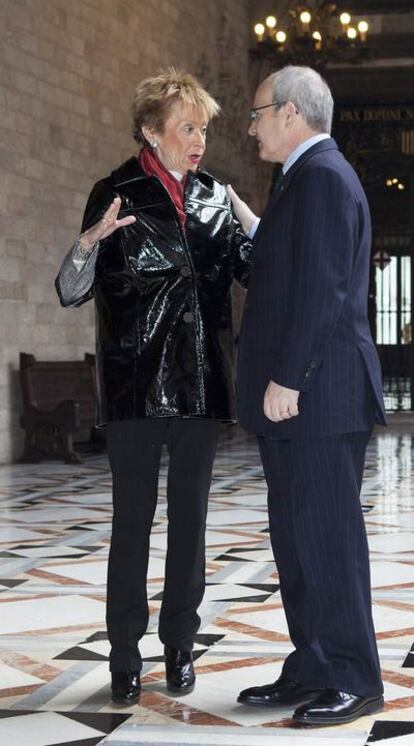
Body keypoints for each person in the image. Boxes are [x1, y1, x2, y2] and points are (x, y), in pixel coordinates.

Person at [56, 68, 251, 706]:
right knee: (132, 523)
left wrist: (250, 214)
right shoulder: (114, 192)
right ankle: (123, 654)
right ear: (151, 131)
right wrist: (90, 242)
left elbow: (263, 270)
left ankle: (179, 644)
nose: (199, 140)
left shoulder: (217, 196)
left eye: (203, 129)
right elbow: (69, 289)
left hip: (199, 385)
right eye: (187, 128)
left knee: (191, 524)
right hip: (136, 384)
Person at [229, 65, 386, 726]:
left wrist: (289, 378)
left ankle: (355, 675)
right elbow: (297, 265)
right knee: (296, 541)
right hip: (306, 398)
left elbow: (322, 292)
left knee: (328, 540)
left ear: (291, 112)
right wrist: (254, 224)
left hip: (317, 396)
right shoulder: (303, 178)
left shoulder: (321, 176)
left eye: (260, 111)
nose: (254, 124)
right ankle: (313, 662)